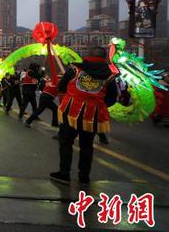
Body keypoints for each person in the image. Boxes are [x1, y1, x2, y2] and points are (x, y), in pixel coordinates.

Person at [50, 47, 118, 185]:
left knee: (66, 142)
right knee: (87, 146)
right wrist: (98, 105)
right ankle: (84, 176)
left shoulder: (74, 69)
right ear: (104, 58)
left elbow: (61, 87)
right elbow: (112, 97)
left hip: (71, 112)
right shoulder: (110, 75)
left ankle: (64, 173)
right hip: (92, 116)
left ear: (88, 55)